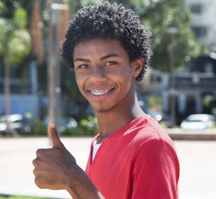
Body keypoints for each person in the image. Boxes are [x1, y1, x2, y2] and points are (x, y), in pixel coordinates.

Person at [32, 1, 180, 199]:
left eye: (110, 63)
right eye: (83, 66)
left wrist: (73, 180)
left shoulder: (151, 145)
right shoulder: (99, 142)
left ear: (136, 66)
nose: (96, 77)